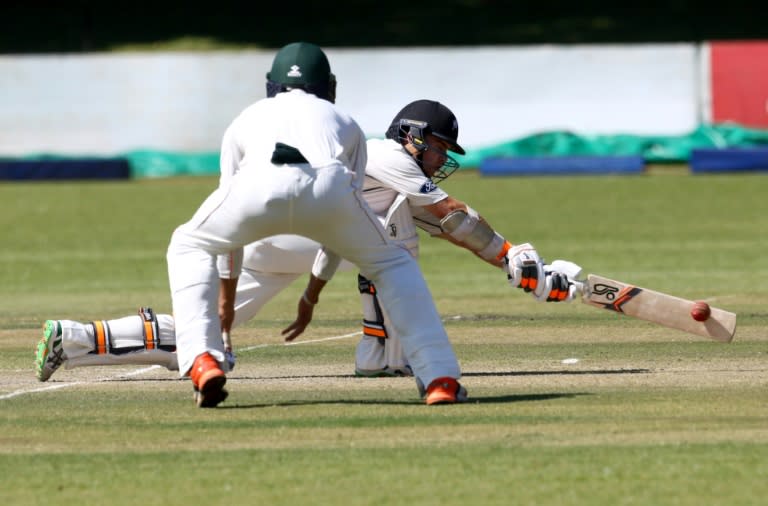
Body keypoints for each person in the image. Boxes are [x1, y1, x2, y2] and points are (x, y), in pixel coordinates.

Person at [35, 100, 577, 388]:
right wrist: (513, 256)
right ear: (412, 136)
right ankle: (381, 354)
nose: (441, 158)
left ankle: (77, 338)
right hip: (306, 230)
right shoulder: (389, 156)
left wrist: (520, 268)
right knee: (394, 240)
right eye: (437, 147)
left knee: (211, 334)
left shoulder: (394, 172)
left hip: (280, 241)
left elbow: (453, 229)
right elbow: (452, 216)